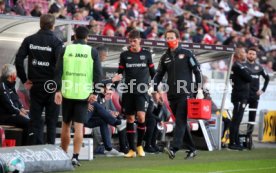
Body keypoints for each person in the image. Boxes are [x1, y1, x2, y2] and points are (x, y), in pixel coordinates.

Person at [54, 26, 102, 166]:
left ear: (74, 36)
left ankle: (63, 156)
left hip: (67, 92)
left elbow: (58, 71)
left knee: (66, 126)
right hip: (83, 94)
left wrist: (57, 90)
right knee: (79, 127)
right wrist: (95, 93)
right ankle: (75, 157)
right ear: (87, 38)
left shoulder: (66, 49)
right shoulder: (92, 51)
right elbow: (98, 74)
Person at [153, 29, 202, 159]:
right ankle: (192, 149)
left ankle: (174, 148)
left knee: (180, 121)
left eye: (171, 37)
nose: (169, 40)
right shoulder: (165, 57)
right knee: (181, 122)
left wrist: (197, 89)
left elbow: (197, 71)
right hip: (171, 95)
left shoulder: (187, 54)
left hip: (185, 93)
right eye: (167, 38)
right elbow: (158, 75)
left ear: (178, 39)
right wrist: (154, 88)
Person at [15, 14, 63, 145]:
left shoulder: (29, 40)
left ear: (40, 24)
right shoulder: (57, 42)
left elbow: (18, 61)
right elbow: (60, 66)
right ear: (53, 26)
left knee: (35, 120)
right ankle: (52, 152)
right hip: (51, 86)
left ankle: (35, 150)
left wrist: (25, 80)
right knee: (51, 121)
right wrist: (58, 87)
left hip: (35, 85)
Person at [117, 29, 156, 158]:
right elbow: (119, 73)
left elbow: (153, 73)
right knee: (130, 118)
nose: (132, 43)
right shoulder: (124, 55)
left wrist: (154, 87)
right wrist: (112, 87)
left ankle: (139, 145)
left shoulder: (146, 54)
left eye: (134, 41)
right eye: (130, 41)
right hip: (128, 91)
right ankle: (132, 149)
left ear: (139, 40)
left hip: (142, 91)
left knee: (141, 117)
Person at [0, 64, 30, 146]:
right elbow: (9, 104)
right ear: (11, 75)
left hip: (13, 114)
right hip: (5, 116)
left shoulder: (11, 85)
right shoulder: (2, 86)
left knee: (37, 120)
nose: (16, 75)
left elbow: (17, 100)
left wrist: (22, 108)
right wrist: (20, 113)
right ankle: (24, 146)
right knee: (28, 123)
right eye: (15, 73)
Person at [229, 47, 252, 150]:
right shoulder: (237, 66)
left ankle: (236, 141)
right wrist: (247, 72)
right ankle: (232, 142)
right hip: (239, 96)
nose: (245, 54)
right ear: (238, 55)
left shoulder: (239, 66)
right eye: (243, 52)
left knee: (237, 120)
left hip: (241, 96)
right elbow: (249, 78)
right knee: (236, 120)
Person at [245, 47, 270, 136]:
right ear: (247, 54)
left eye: (253, 54)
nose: (251, 55)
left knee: (252, 117)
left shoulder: (259, 67)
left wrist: (263, 90)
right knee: (238, 117)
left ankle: (248, 137)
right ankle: (236, 137)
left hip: (254, 96)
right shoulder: (242, 65)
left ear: (256, 56)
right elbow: (232, 78)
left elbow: (267, 78)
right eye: (250, 53)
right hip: (244, 95)